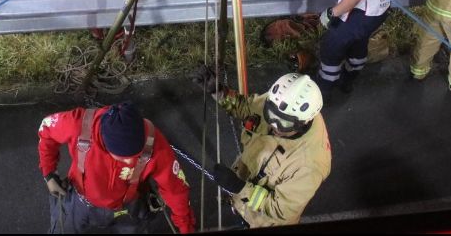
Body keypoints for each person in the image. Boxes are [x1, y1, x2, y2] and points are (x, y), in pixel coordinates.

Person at [188, 69, 331, 228]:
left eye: (284, 123)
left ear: (303, 123)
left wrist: (240, 188)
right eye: (271, 115)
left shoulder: (309, 165)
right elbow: (247, 107)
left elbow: (280, 210)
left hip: (262, 221)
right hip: (243, 203)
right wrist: (219, 91)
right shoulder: (279, 104)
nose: (274, 126)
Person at [37, 101, 196, 234]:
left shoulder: (155, 143)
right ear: (105, 143)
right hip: (79, 202)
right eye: (122, 157)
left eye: (136, 156)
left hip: (128, 207)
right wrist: (49, 172)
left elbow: (176, 189)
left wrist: (185, 226)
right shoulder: (78, 125)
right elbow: (46, 129)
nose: (128, 163)